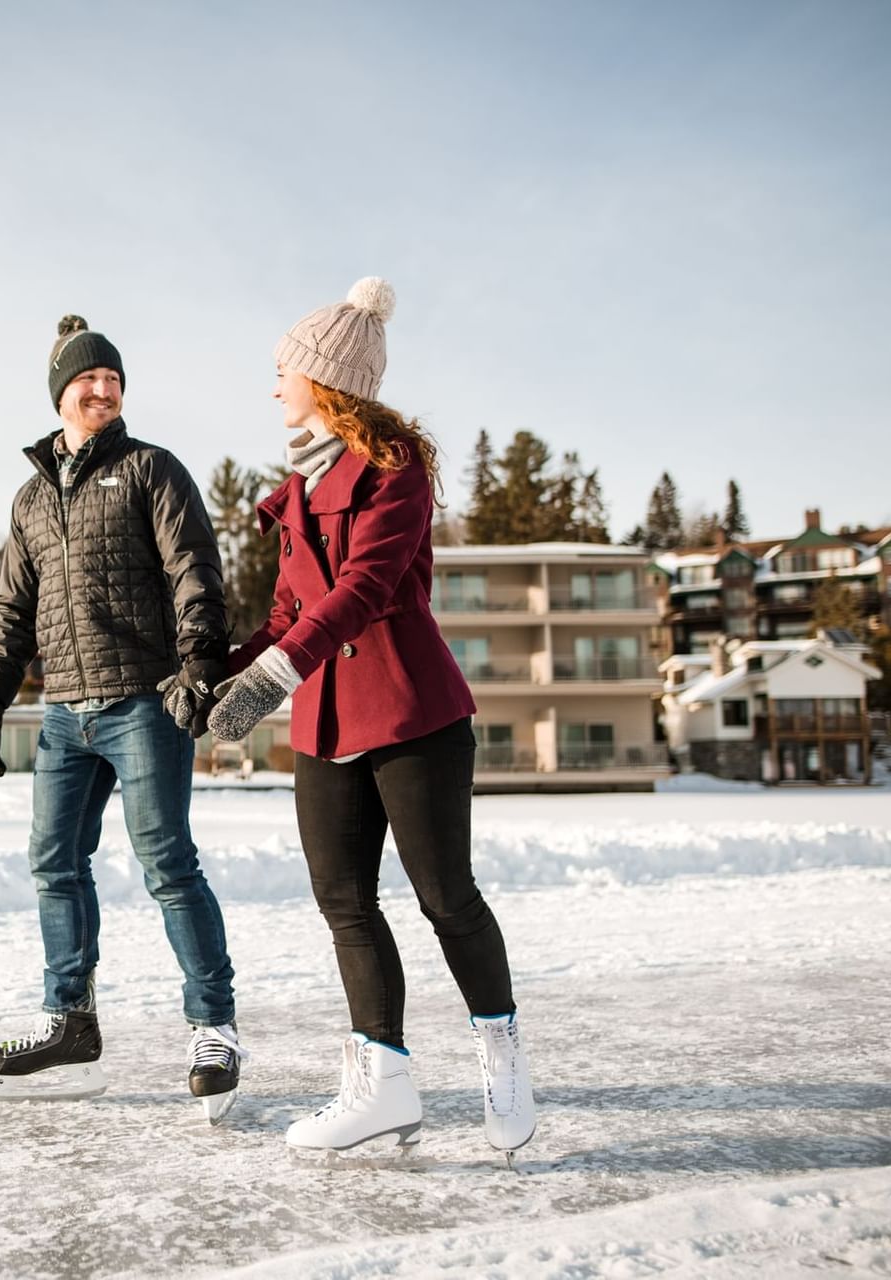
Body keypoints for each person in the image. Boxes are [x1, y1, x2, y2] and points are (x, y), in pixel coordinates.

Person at [208, 278, 537, 1161]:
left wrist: (274, 675)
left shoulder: (396, 472)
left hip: (411, 714)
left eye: (284, 370)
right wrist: (217, 677)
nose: (274, 385)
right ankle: (383, 1083)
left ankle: (502, 1057)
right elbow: (287, 612)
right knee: (345, 904)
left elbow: (365, 589)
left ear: (326, 379)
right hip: (325, 725)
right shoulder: (295, 489)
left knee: (445, 899)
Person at [0, 314, 247, 1122]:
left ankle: (214, 1027)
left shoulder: (151, 470)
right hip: (63, 712)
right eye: (87, 379)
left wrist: (200, 660)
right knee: (53, 863)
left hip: (143, 702)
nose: (102, 389)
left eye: (113, 380)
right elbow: (13, 609)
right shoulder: (28, 499)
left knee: (167, 864)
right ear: (61, 391)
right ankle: (70, 1025)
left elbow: (193, 565)